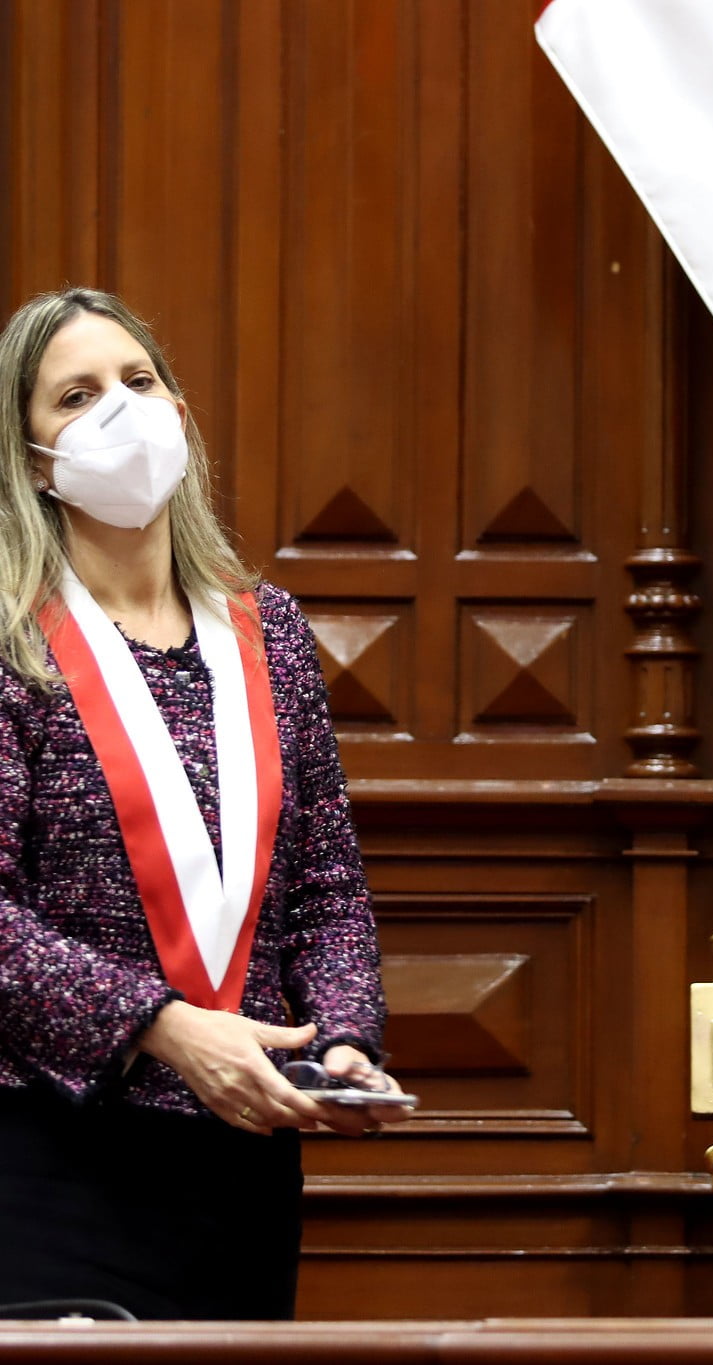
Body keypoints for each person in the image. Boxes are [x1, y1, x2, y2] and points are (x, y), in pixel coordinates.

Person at [0, 287, 410, 1320]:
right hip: (54, 1155)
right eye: (77, 396)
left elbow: (325, 887)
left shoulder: (263, 630)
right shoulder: (10, 641)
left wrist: (341, 1038)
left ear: (180, 413)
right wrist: (164, 1028)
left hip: (241, 1160)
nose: (121, 413)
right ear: (33, 456)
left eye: (139, 383)